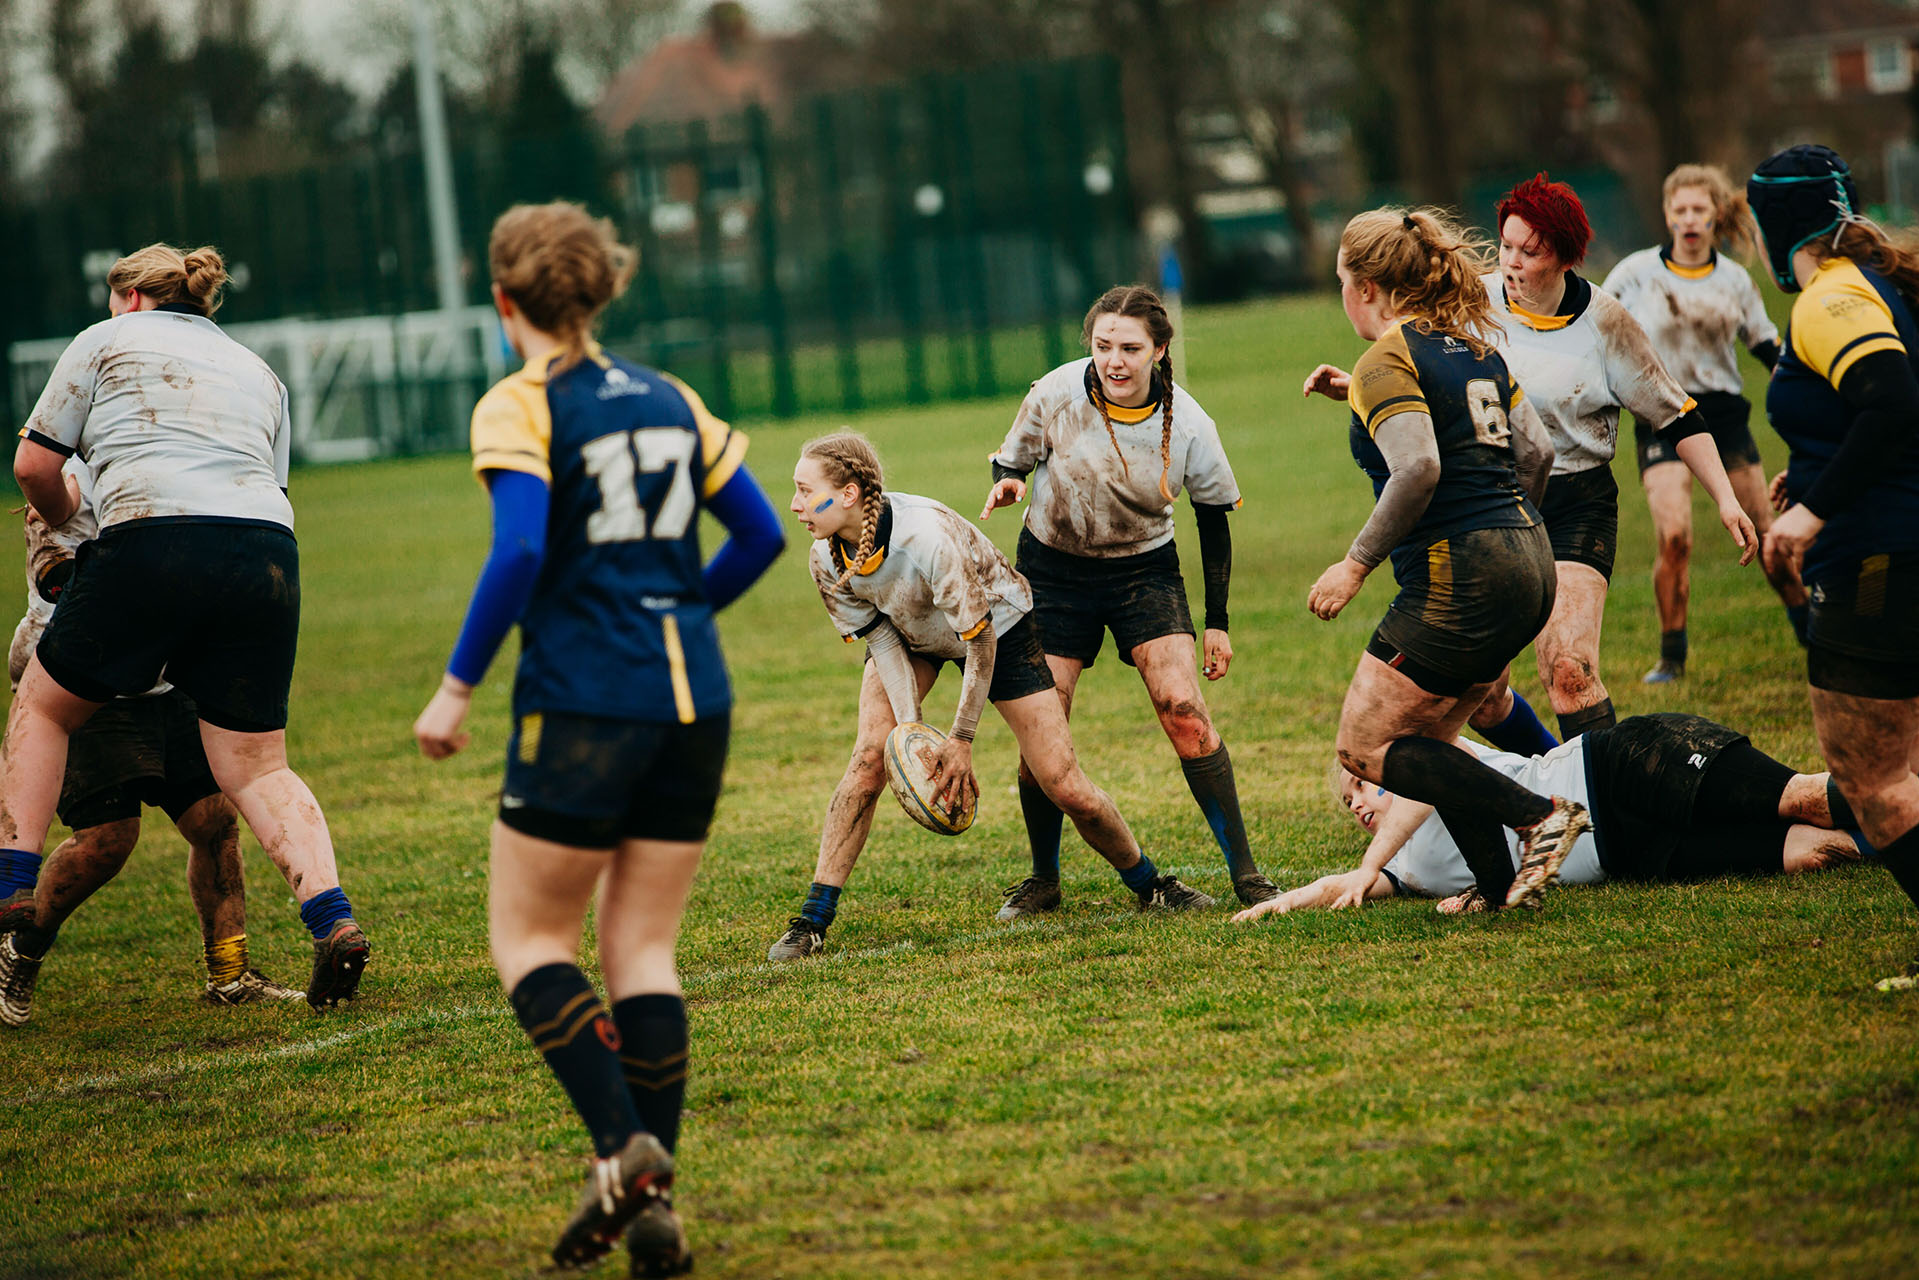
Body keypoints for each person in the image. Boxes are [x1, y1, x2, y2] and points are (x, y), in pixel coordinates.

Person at [413, 201, 784, 1273]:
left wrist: (455, 687)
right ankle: (653, 1189)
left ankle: (624, 1151)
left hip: (585, 697)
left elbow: (520, 549)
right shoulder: (672, 396)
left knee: (531, 940)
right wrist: (683, 609)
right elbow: (759, 531)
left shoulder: (521, 403)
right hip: (693, 701)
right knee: (643, 948)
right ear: (603, 289)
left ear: (505, 301)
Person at [1, 242, 369, 1013]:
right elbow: (265, 487)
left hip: (154, 544)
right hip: (266, 552)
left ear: (132, 299)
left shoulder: (107, 341)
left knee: (42, 705)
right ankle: (332, 920)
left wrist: (76, 524)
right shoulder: (258, 370)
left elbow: (34, 471)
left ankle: (10, 891)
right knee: (261, 767)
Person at [768, 431, 1213, 961]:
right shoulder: (825, 559)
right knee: (869, 759)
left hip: (996, 629)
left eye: (802, 490)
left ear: (847, 494)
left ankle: (1152, 885)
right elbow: (882, 637)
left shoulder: (925, 538)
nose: (793, 504)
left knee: (1062, 781)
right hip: (912, 633)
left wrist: (959, 738)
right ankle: (813, 921)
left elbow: (978, 640)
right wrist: (911, 735)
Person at [1300, 206, 1585, 914]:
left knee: (1366, 750)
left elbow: (1420, 467)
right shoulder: (1473, 349)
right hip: (1530, 555)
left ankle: (1539, 815)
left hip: (1462, 573)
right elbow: (1537, 454)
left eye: (1341, 281)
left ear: (1365, 287)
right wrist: (1508, 541)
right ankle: (1494, 887)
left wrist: (1355, 564)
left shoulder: (1386, 358)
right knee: (1433, 736)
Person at [980, 285, 1279, 909]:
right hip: (1053, 573)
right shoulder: (1056, 392)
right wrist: (1009, 483)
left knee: (1183, 710)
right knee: (1045, 725)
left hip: (1144, 571)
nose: (1115, 360)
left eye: (1131, 348)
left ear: (1159, 350)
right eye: (1103, 345)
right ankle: (1043, 878)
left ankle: (1246, 875)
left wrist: (1217, 621)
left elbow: (1213, 516)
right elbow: (1011, 461)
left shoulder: (1190, 423)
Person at [0, 459, 302, 1026]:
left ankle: (230, 974)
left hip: (169, 673)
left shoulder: (175, 452)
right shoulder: (67, 476)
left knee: (213, 819)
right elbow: (61, 578)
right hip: (86, 681)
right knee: (107, 841)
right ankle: (21, 948)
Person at [1465, 173, 1757, 748]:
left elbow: (1679, 416)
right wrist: (1358, 385)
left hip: (1575, 504)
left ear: (1566, 257)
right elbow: (1415, 366)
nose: (1512, 263)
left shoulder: (1607, 324)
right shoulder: (1472, 300)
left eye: (1531, 251)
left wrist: (1726, 499)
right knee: (1480, 692)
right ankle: (1567, 791)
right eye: (1506, 246)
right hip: (1493, 505)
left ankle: (1614, 807)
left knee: (1569, 671)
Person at [1746, 144, 1919, 991]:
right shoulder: (1876, 282)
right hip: (1899, 541)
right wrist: (1811, 470)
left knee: (1873, 783)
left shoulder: (1829, 296)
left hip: (1880, 556)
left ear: (1777, 227)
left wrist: (1814, 508)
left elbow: (1891, 400)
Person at [1232, 713, 1861, 919]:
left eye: (1364, 786)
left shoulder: (1433, 764)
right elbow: (1337, 888)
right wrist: (1280, 904)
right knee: (1811, 853)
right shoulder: (1403, 868)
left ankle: (1896, 791)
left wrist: (1368, 865)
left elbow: (1425, 792)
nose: (1360, 803)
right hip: (1631, 856)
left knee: (1802, 798)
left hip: (1617, 768)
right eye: (1349, 803)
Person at [1604, 163, 1807, 682]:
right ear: (1667, 215)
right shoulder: (1634, 274)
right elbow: (1594, 328)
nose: (1689, 220)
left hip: (1723, 418)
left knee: (1767, 538)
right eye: (1680, 210)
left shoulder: (1735, 280)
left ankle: (1811, 631)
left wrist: (1810, 389)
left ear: (1716, 215)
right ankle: (1671, 655)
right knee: (1675, 537)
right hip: (1662, 413)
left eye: (1699, 209)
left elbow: (1767, 347)